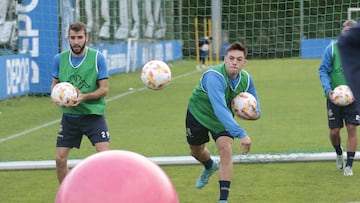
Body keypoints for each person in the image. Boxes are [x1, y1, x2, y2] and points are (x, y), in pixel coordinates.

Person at [185, 41, 261, 203]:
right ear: (225, 59)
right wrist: (241, 133)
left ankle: (223, 200)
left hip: (222, 120)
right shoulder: (215, 77)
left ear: (244, 62)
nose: (235, 62)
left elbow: (256, 104)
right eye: (231, 58)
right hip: (199, 113)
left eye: (239, 59)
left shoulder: (246, 79)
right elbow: (219, 109)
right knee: (196, 151)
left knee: (226, 149)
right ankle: (209, 166)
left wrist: (256, 114)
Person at [51, 21, 110, 184]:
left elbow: (104, 89)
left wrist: (83, 96)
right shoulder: (59, 59)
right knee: (60, 159)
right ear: (67, 38)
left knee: (105, 159)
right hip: (70, 117)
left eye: (79, 37)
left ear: (87, 38)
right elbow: (55, 85)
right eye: (72, 38)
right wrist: (57, 97)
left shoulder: (98, 58)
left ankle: (104, 194)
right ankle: (68, 194)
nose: (76, 42)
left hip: (93, 115)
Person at [318, 19, 358, 176]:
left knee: (352, 127)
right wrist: (328, 90)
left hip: (354, 97)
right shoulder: (333, 49)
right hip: (335, 97)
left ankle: (349, 166)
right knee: (334, 132)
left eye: (350, 32)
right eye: (344, 31)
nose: (346, 34)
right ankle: (338, 151)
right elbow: (323, 70)